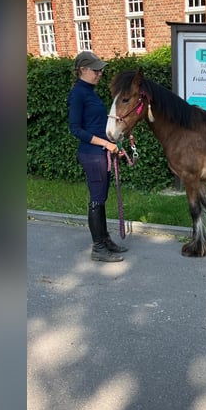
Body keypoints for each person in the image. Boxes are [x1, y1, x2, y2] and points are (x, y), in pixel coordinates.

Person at [67, 51, 128, 262]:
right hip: (92, 155)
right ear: (82, 70)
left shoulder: (91, 92)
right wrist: (105, 144)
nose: (100, 73)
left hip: (102, 153)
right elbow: (76, 129)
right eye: (96, 70)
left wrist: (115, 145)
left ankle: (105, 240)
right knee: (96, 199)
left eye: (101, 69)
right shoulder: (78, 94)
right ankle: (98, 247)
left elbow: (98, 126)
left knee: (101, 199)